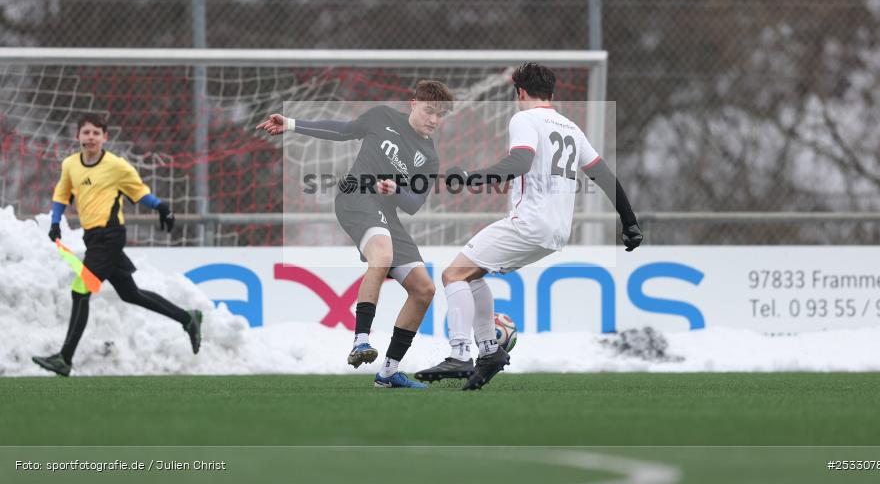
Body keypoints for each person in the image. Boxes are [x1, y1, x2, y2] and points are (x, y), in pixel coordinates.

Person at [415, 63, 644, 390]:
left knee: (452, 275)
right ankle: (490, 352)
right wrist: (630, 222)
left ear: (520, 92)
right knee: (471, 275)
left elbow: (520, 162)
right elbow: (604, 176)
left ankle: (460, 354)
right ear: (551, 92)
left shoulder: (524, 118)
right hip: (557, 232)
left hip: (529, 223)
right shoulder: (571, 129)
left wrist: (471, 178)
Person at [256, 81, 453, 389]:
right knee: (383, 255)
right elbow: (342, 130)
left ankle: (388, 373)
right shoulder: (382, 117)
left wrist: (397, 189)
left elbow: (414, 204)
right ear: (413, 103)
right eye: (430, 111)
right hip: (356, 197)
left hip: (386, 212)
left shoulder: (429, 156)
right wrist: (292, 124)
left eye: (440, 115)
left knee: (424, 289)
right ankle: (361, 341)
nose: (434, 120)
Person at [32, 114, 202, 377]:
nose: (90, 137)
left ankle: (64, 359)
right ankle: (187, 318)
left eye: (96, 133)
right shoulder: (70, 165)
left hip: (110, 236)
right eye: (86, 132)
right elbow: (61, 195)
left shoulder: (116, 166)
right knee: (130, 293)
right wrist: (55, 221)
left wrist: (162, 207)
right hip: (93, 238)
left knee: (80, 290)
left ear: (104, 138)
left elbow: (138, 191)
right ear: (78, 136)